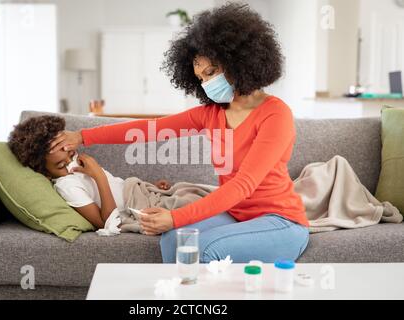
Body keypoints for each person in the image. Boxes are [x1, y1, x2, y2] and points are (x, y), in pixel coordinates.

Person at [48, 3, 310, 263]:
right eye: (200, 78)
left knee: (204, 248)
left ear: (238, 61)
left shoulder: (275, 114)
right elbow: (149, 129)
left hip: (280, 221)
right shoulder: (211, 113)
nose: (207, 83)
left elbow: (243, 185)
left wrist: (174, 216)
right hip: (237, 215)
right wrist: (82, 136)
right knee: (174, 239)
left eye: (211, 72)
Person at [8, 115, 171, 229]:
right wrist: (98, 175)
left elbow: (119, 188)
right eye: (60, 165)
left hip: (142, 194)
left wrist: (150, 187)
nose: (71, 164)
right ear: (46, 174)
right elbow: (107, 222)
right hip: (135, 208)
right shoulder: (67, 186)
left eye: (71, 154)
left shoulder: (82, 166)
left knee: (189, 196)